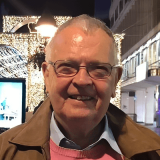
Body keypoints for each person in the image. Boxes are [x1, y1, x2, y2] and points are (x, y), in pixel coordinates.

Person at [0, 15, 160, 160]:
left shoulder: (154, 152)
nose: (82, 81)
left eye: (99, 69)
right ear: (47, 76)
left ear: (115, 79)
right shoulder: (4, 150)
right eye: (66, 67)